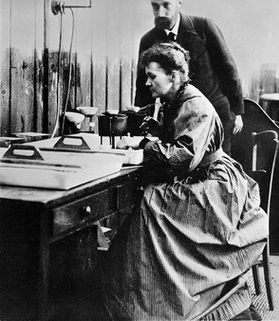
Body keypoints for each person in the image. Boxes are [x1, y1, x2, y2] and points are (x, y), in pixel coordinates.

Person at [99, 42, 267, 320]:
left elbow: (182, 157)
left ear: (174, 77)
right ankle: (147, 289)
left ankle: (163, 298)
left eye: (152, 76)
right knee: (152, 201)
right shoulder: (176, 100)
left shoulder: (194, 104)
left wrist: (145, 144)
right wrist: (156, 132)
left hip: (216, 184)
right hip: (201, 177)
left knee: (153, 205)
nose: (147, 82)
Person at [134, 0, 244, 155]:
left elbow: (228, 68)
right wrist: (139, 122)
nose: (160, 12)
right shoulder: (148, 40)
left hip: (216, 115)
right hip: (178, 119)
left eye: (166, 5)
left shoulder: (203, 27)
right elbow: (143, 86)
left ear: (179, 3)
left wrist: (237, 112)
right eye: (155, 6)